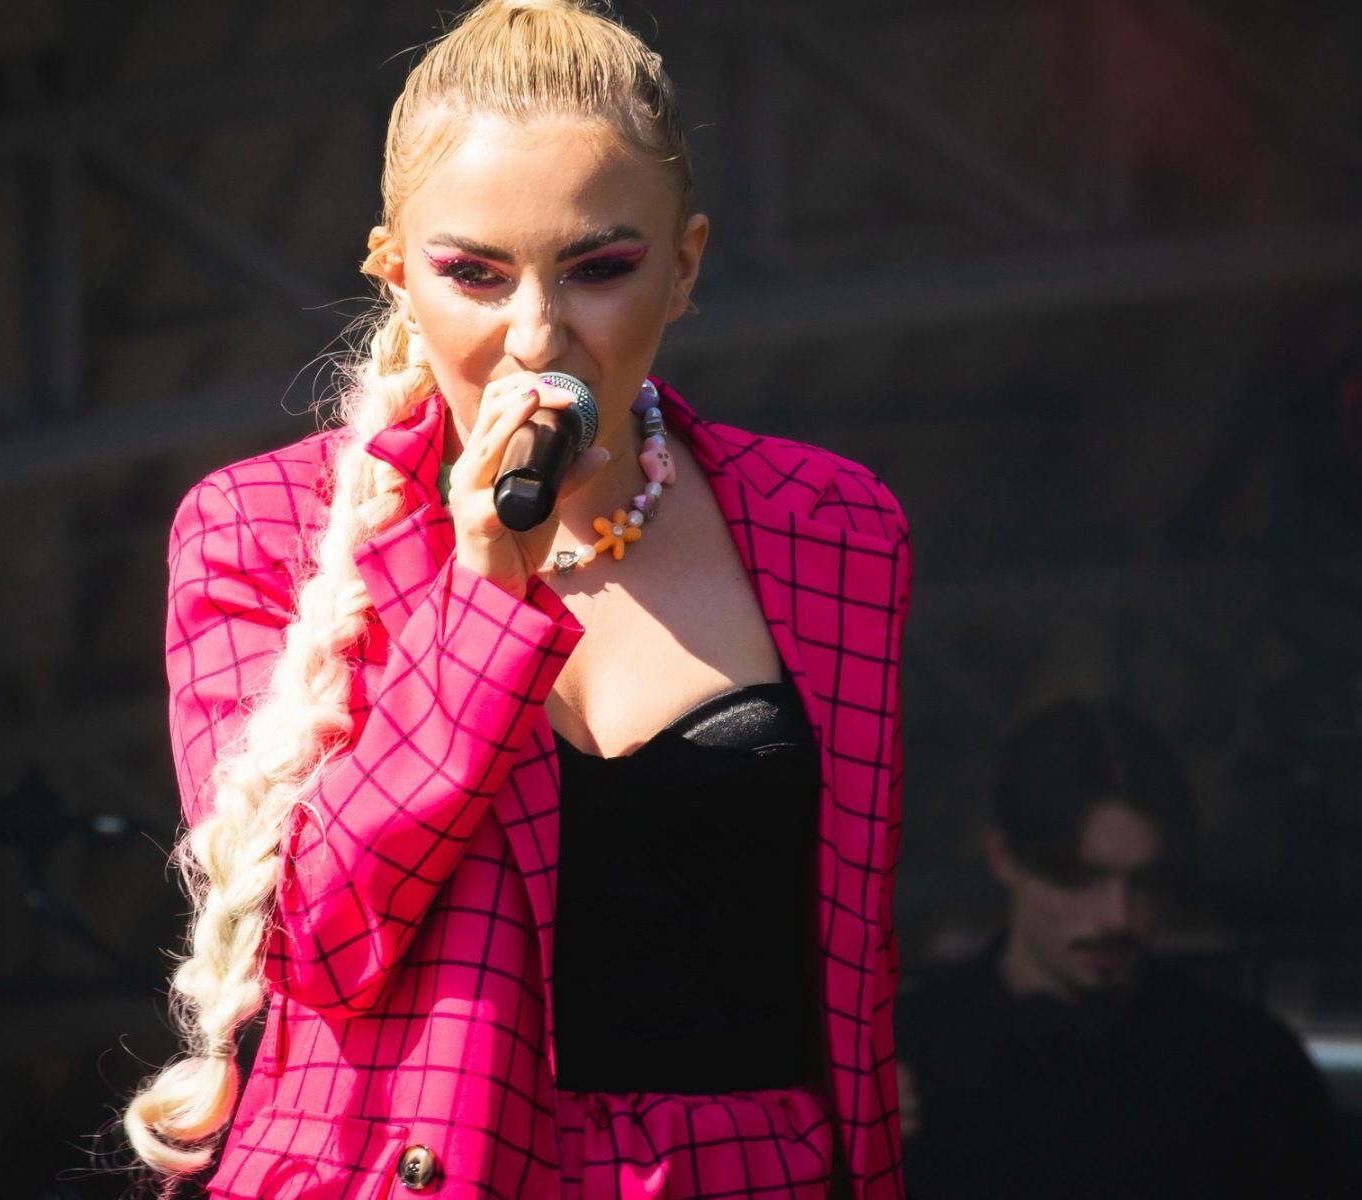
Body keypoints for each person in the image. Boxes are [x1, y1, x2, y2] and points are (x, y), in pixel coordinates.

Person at [124, 2, 914, 1196]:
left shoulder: (835, 526)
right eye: (474, 275)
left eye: (600, 269)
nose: (537, 335)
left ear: (685, 265)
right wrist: (488, 581)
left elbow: (853, 976)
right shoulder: (259, 531)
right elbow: (319, 941)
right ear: (396, 272)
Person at [896, 699, 1345, 1200]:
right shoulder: (907, 1056)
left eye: (1144, 882)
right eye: (1078, 878)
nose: (1117, 916)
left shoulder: (1251, 1067)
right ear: (1003, 858)